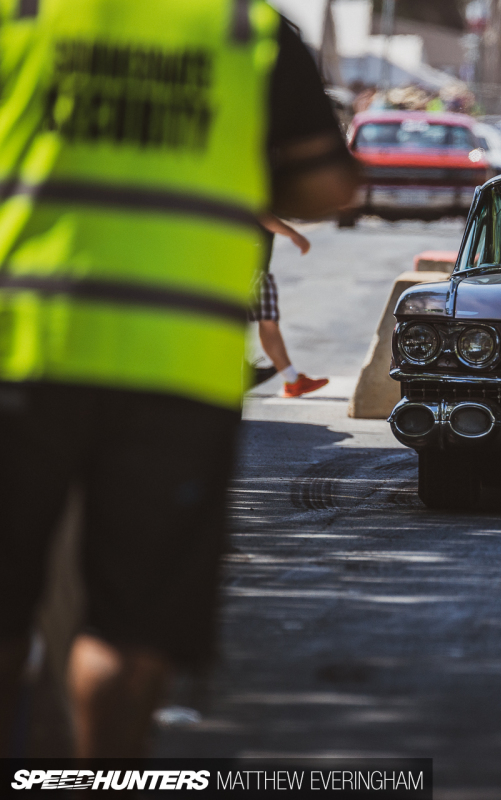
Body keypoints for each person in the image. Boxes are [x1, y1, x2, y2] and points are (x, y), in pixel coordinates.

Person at [0, 3, 358, 759]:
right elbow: (327, 187)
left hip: (20, 351)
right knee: (131, 630)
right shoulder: (246, 30)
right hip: (175, 372)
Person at [252, 215, 330, 397]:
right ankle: (292, 381)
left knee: (265, 323)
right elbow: (261, 215)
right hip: (251, 268)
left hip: (236, 265)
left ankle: (292, 380)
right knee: (268, 323)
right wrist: (294, 234)